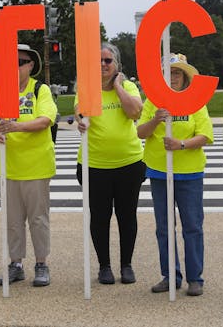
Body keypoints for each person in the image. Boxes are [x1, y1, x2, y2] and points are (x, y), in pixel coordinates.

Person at [137, 53, 213, 297]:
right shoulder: (153, 101)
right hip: (160, 172)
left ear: (185, 76)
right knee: (164, 227)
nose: (172, 78)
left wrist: (181, 144)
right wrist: (155, 120)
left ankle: (195, 278)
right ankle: (170, 275)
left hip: (189, 173)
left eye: (177, 73)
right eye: (168, 74)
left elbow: (205, 135)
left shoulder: (195, 102)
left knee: (192, 226)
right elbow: (140, 132)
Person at [0, 43, 57, 287]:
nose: (14, 67)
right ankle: (15, 263)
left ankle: (41, 264)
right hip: (8, 166)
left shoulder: (41, 90)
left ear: (30, 65)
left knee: (38, 218)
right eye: (10, 62)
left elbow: (45, 119)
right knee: (12, 220)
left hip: (36, 165)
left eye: (20, 62)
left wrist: (16, 126)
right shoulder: (1, 90)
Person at [75, 42, 145, 285]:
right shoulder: (87, 88)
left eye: (108, 60)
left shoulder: (127, 86)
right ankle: (104, 266)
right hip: (95, 165)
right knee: (100, 217)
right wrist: (80, 121)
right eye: (99, 61)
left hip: (129, 163)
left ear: (117, 65)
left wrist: (117, 87)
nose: (103, 65)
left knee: (127, 216)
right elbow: (79, 112)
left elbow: (135, 112)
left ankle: (126, 264)